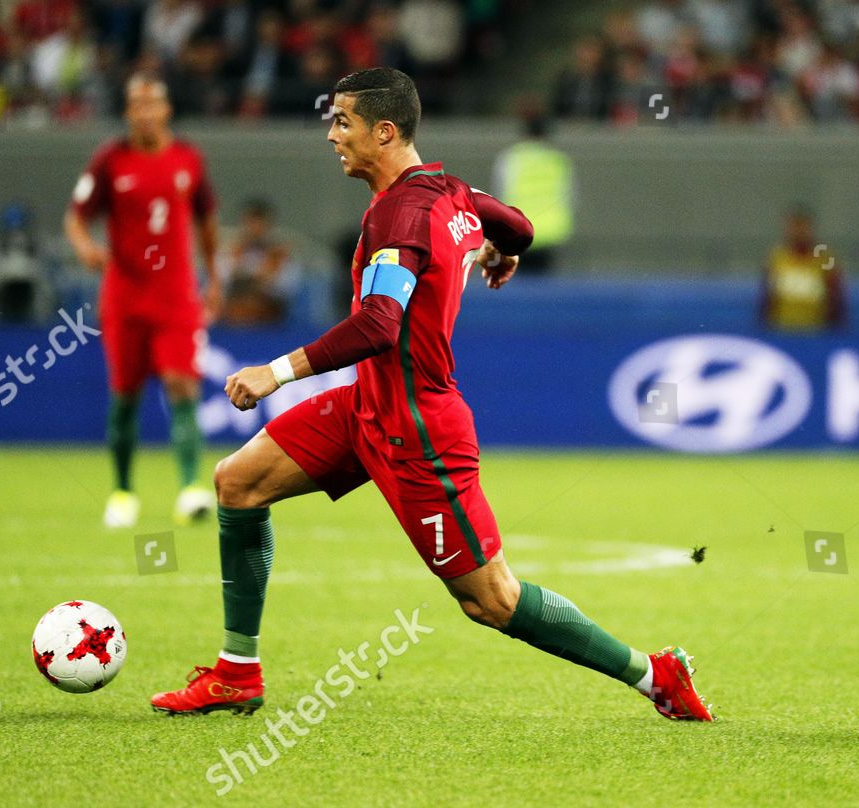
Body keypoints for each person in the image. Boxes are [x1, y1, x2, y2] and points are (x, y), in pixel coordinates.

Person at [149, 68, 714, 722]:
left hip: (418, 431)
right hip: (367, 407)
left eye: (343, 123)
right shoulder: (450, 192)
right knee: (238, 484)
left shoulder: (401, 213)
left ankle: (655, 675)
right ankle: (236, 673)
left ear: (384, 132)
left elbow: (377, 324)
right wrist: (497, 252)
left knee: (491, 601)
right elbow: (521, 227)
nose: (331, 134)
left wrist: (273, 373)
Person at [64, 73, 221, 529]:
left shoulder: (188, 160)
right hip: (125, 296)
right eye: (137, 104)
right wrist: (85, 248)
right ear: (128, 111)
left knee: (182, 386)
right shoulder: (110, 160)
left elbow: (207, 222)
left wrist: (213, 277)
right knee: (126, 395)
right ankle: (122, 490)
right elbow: (76, 217)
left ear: (166, 109)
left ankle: (191, 488)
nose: (145, 113)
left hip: (176, 295)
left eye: (153, 103)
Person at [491, 113, 574, 275]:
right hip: (551, 231)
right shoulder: (558, 160)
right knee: (544, 286)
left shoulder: (511, 159)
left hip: (518, 229)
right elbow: (570, 195)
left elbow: (499, 192)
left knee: (519, 286)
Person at [760, 206, 845, 332]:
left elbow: (836, 296)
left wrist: (833, 329)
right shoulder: (776, 258)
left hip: (817, 330)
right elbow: (767, 297)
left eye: (803, 227)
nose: (799, 232)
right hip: (783, 329)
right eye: (794, 227)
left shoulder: (826, 258)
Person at [220, 198, 294, 325]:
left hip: (268, 310)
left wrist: (259, 276)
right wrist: (254, 275)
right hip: (236, 304)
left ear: (267, 224)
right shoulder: (234, 250)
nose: (254, 227)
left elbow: (286, 286)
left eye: (259, 222)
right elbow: (222, 279)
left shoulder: (279, 253)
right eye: (250, 222)